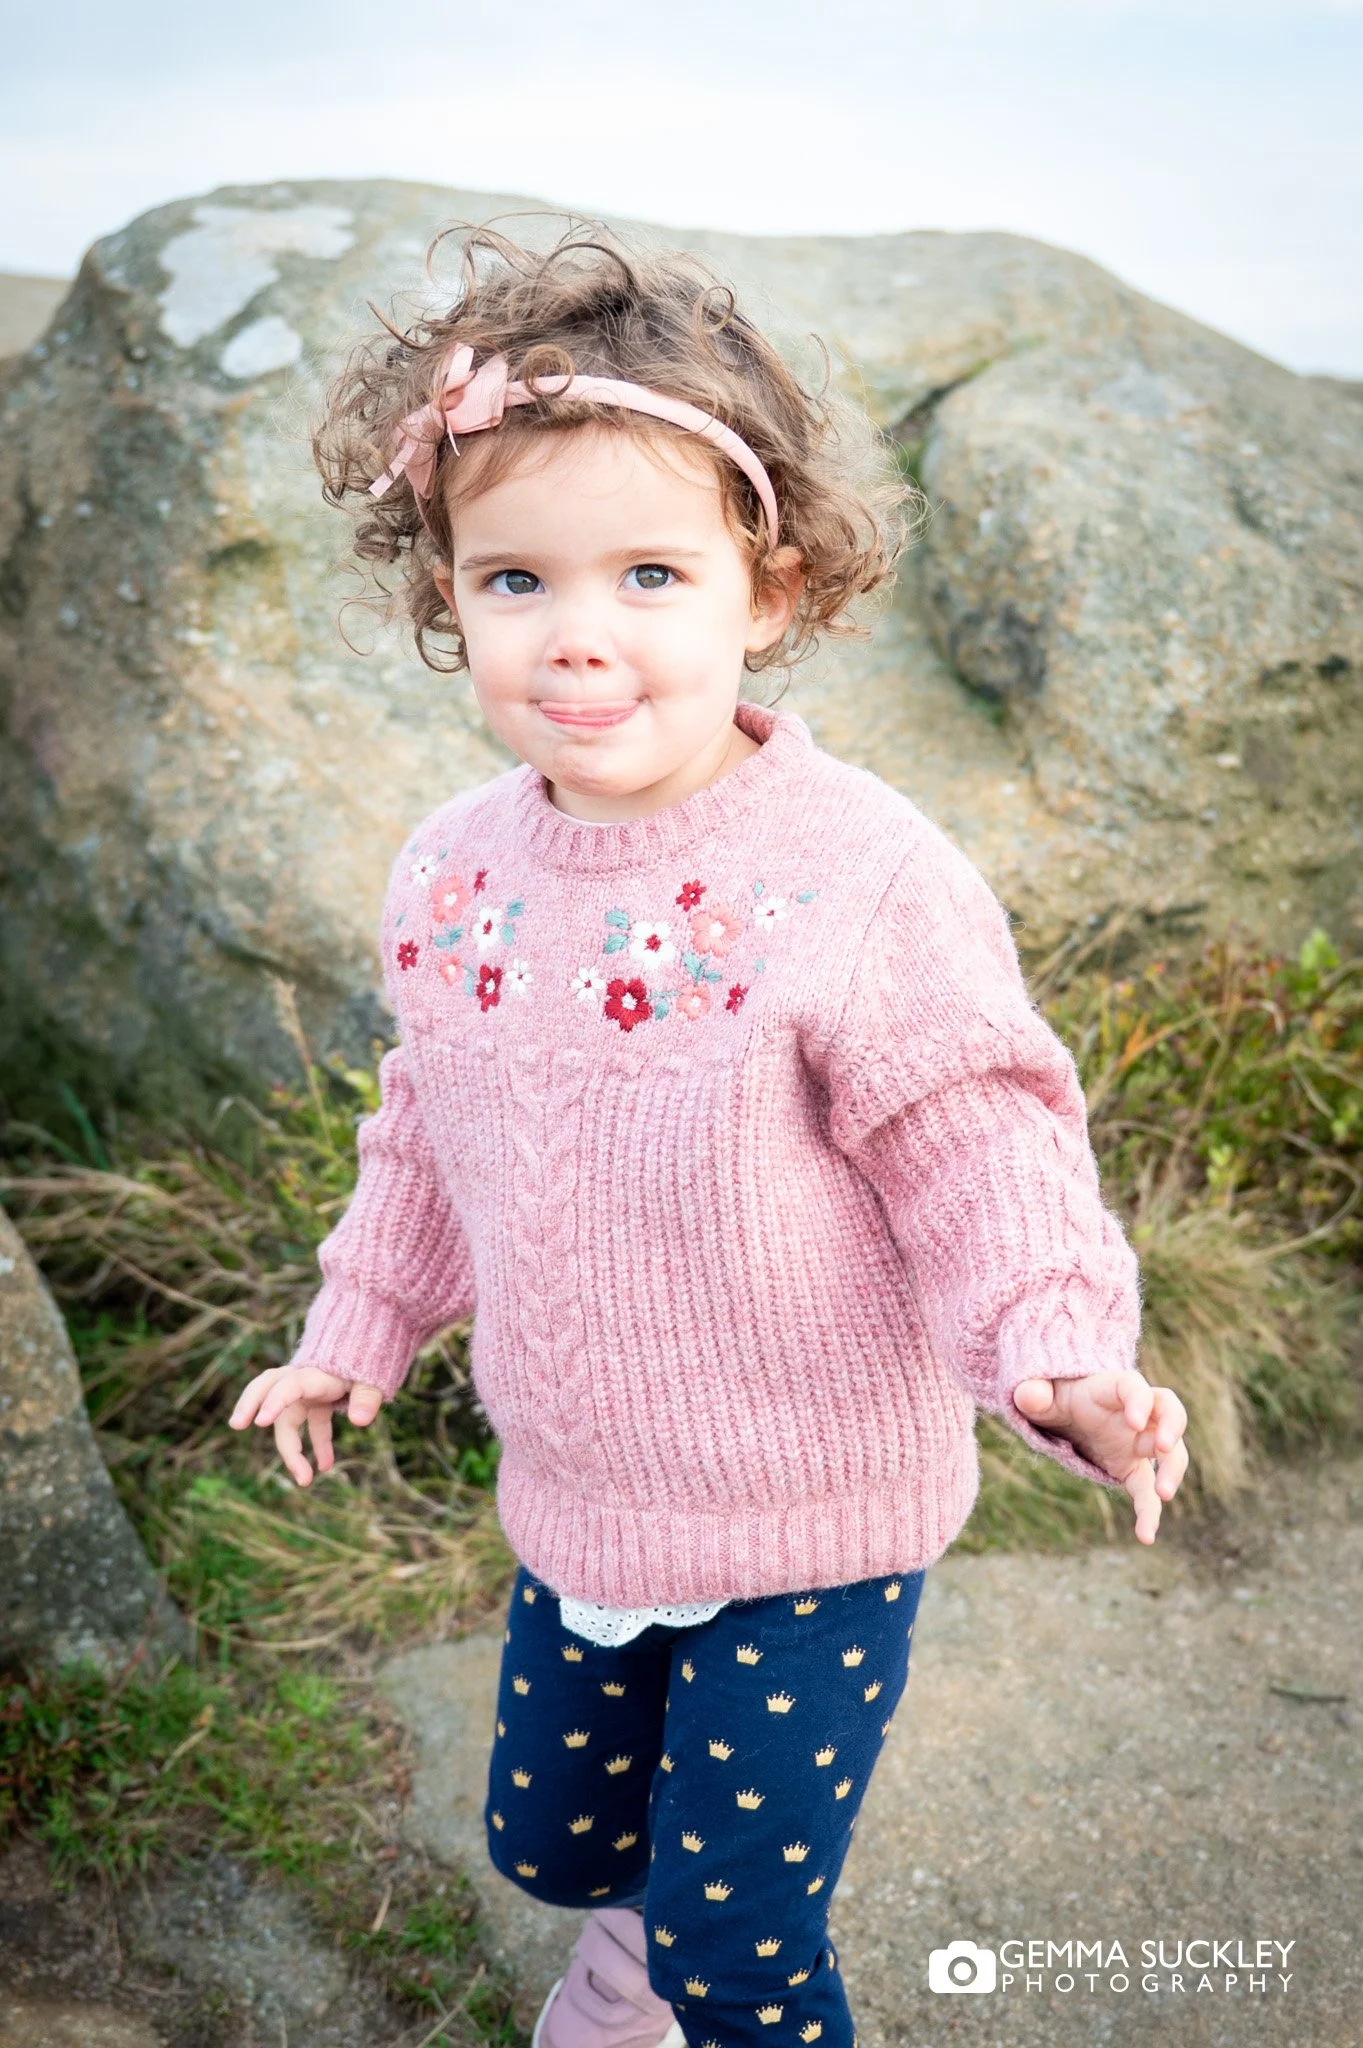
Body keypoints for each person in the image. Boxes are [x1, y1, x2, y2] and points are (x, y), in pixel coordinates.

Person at [230, 222, 1188, 2048]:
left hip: (814, 1518)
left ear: (770, 587)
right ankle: (630, 1960)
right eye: (513, 580)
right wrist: (354, 1333)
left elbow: (975, 1141)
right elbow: (426, 1125)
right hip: (580, 1495)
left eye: (649, 572)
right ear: (446, 593)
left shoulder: (859, 874)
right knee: (551, 1833)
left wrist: (1057, 1356)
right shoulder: (451, 872)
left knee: (750, 1944)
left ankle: (687, 1989)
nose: (577, 632)